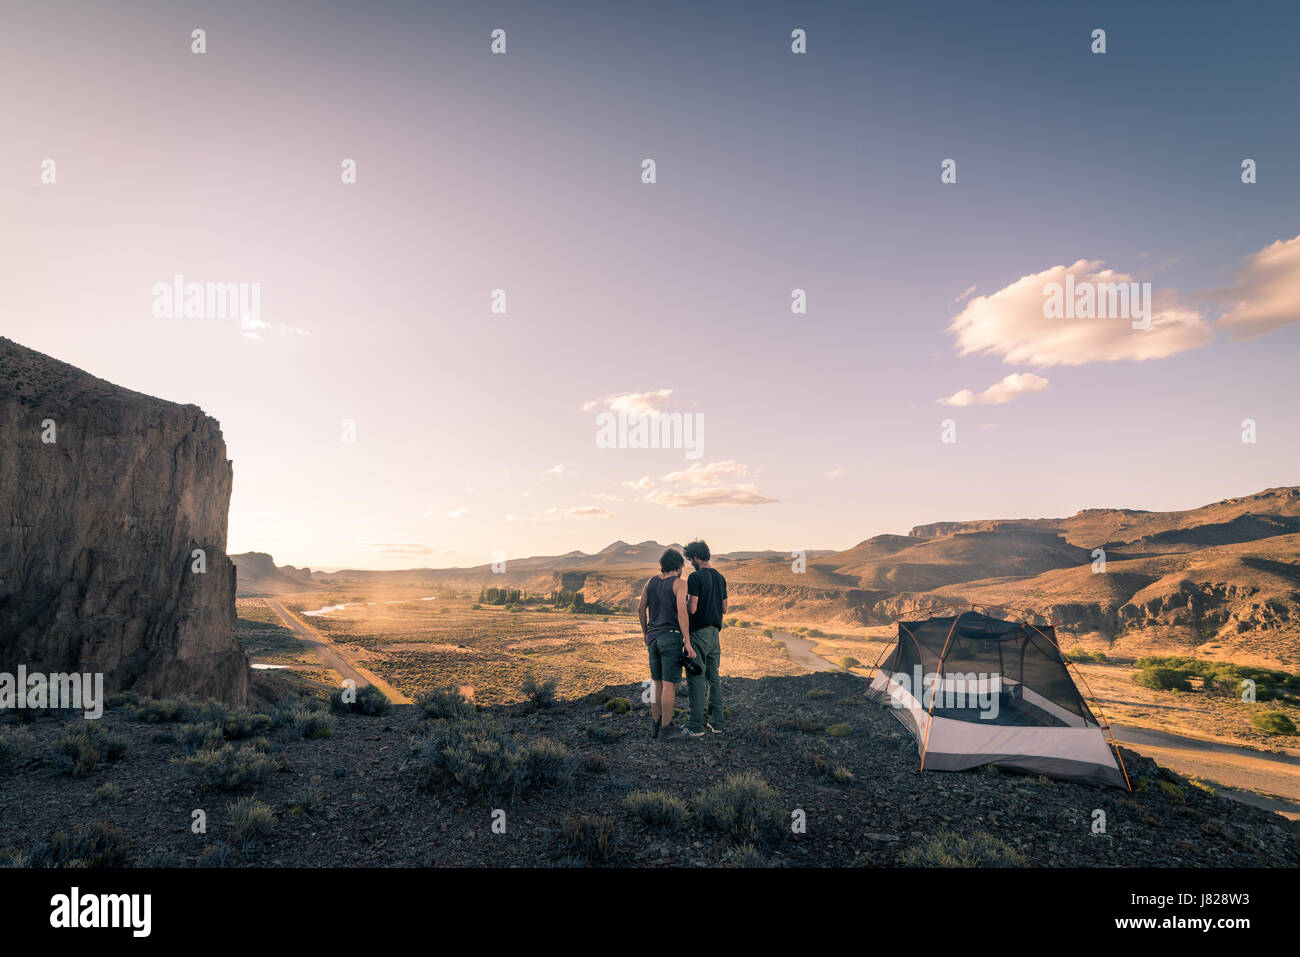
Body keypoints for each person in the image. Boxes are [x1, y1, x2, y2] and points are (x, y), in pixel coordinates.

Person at [637, 548, 696, 741]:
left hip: (652, 638)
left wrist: (646, 633)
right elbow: (682, 613)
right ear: (679, 567)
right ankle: (666, 729)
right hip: (670, 637)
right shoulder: (680, 584)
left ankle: (655, 725)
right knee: (670, 684)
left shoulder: (651, 581)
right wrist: (688, 642)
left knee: (656, 684)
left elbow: (640, 608)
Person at [683, 539, 727, 735]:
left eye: (690, 559)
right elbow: (724, 608)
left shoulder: (695, 577)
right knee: (714, 677)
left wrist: (679, 608)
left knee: (696, 678)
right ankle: (717, 723)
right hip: (715, 634)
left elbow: (692, 607)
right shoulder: (720, 577)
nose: (690, 562)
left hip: (698, 633)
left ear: (695, 557)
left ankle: (695, 727)